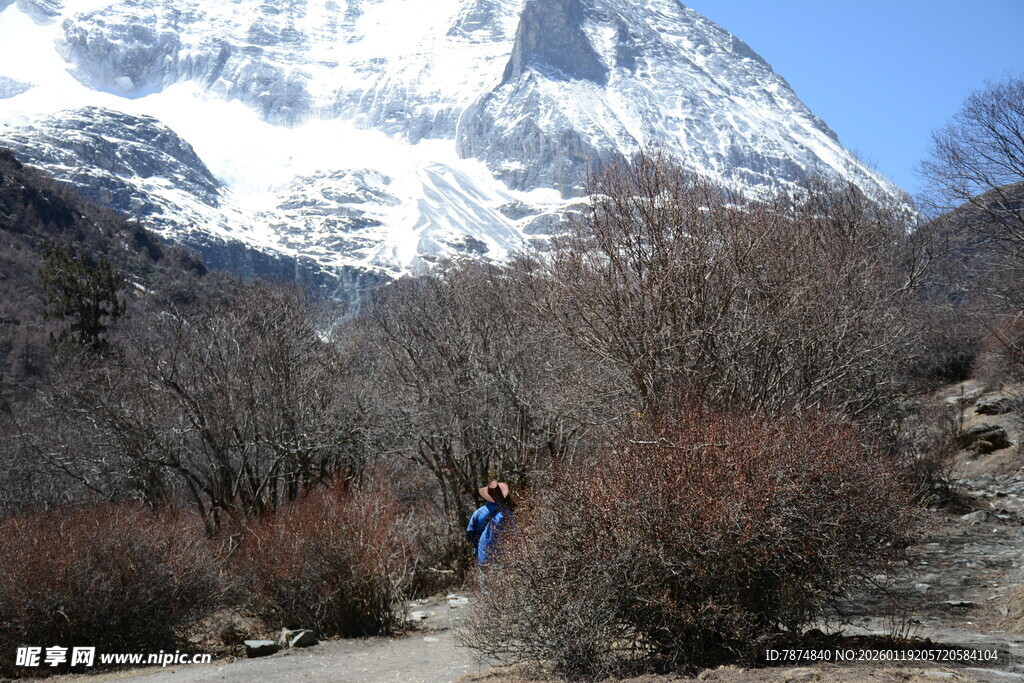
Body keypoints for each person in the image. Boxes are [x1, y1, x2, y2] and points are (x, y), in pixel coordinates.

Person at [466, 480, 514, 566]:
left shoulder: (478, 513)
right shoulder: (507, 514)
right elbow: (515, 537)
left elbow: (470, 535)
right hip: (502, 560)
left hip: (482, 558)